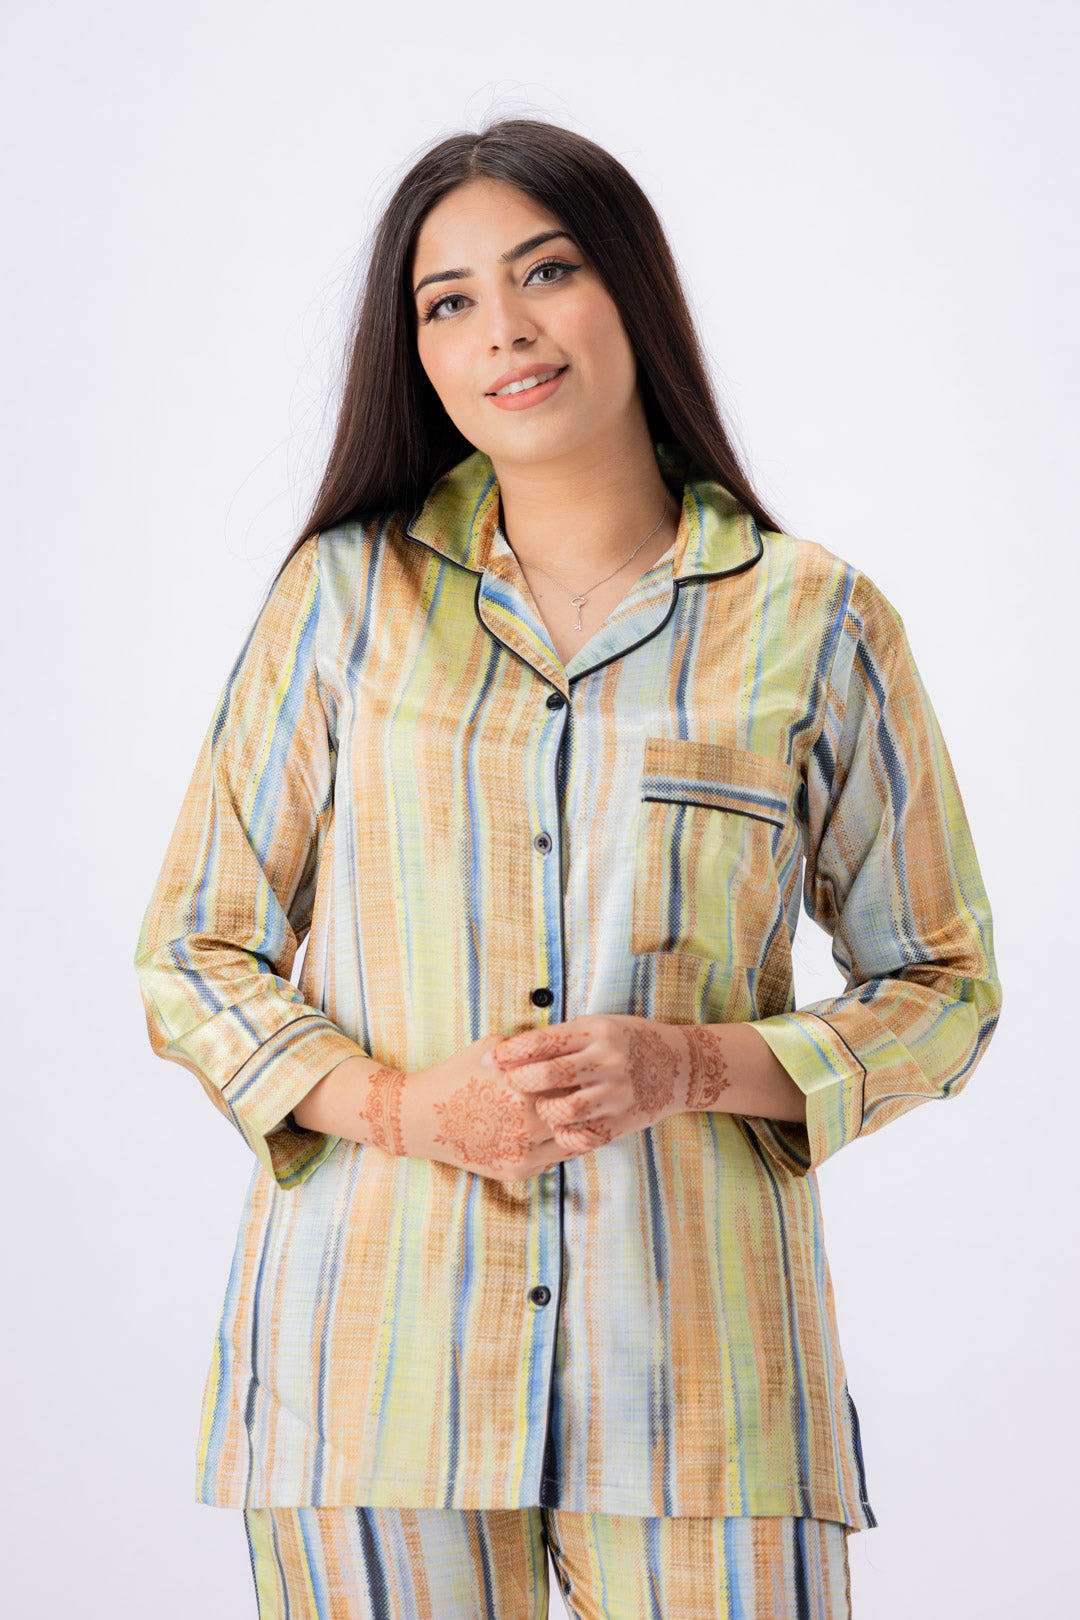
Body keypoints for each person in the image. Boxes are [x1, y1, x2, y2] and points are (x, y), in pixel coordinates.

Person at [134, 118, 1002, 1620]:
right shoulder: (342, 600)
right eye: (449, 300)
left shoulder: (817, 621)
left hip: (704, 1393)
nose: (504, 331)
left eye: (547, 272)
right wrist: (404, 1108)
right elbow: (193, 951)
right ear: (417, 352)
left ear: (632, 292)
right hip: (371, 1378)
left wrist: (693, 1064)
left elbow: (946, 985)